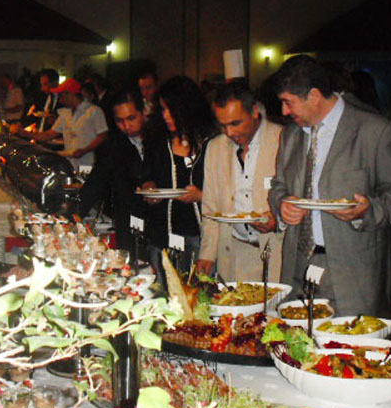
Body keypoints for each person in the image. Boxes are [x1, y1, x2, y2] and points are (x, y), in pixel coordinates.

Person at [268, 55, 391, 315]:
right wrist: (281, 204)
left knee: (347, 340)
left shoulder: (375, 131)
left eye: (288, 102)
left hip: (352, 272)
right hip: (297, 266)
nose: (284, 112)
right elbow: (278, 185)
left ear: (314, 96)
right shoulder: (291, 134)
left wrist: (367, 211)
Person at [195, 82, 284, 282]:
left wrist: (277, 219)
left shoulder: (282, 139)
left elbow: (296, 196)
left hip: (275, 251)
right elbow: (210, 207)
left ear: (254, 111)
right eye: (222, 125)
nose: (229, 132)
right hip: (233, 252)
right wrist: (207, 253)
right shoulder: (215, 148)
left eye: (235, 123)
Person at [141, 76, 217, 279]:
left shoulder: (211, 142)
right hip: (162, 234)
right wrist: (149, 188)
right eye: (162, 109)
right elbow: (147, 173)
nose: (166, 115)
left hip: (202, 237)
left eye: (171, 109)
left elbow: (225, 191)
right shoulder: (157, 140)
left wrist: (200, 196)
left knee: (200, 292)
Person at [78, 88, 148, 252]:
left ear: (143, 112)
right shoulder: (113, 146)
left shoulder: (159, 139)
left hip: (159, 223)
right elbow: (95, 183)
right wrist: (73, 216)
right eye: (119, 121)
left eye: (131, 118)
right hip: (127, 222)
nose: (126, 126)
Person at [33, 78, 109, 171]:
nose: (60, 100)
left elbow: (103, 136)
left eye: (61, 96)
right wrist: (25, 133)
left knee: (84, 180)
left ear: (70, 94)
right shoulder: (65, 114)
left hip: (87, 163)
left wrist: (84, 150)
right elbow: (48, 135)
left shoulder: (94, 111)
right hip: (69, 163)